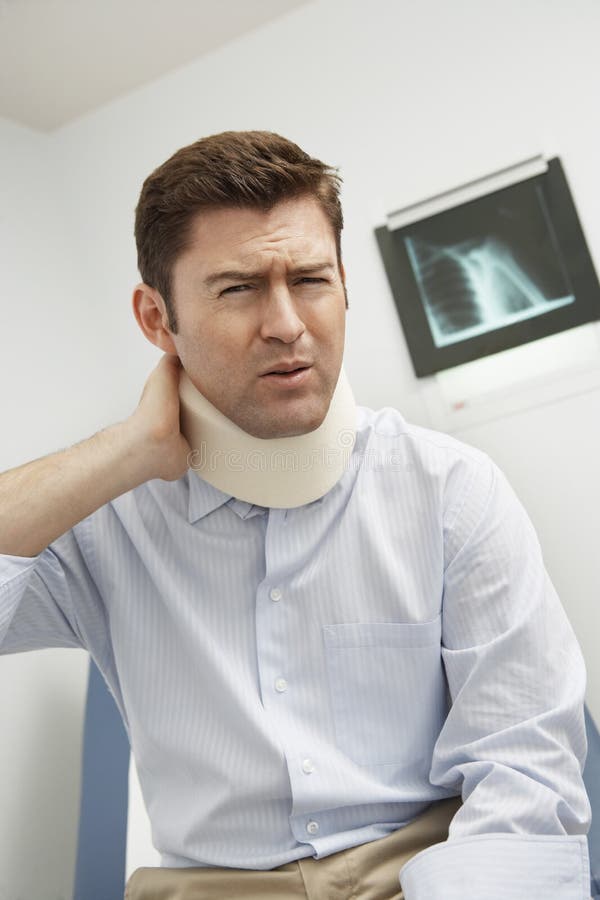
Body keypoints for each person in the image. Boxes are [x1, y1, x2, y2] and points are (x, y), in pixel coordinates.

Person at [0, 131, 592, 900]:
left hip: (425, 876)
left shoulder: (451, 490)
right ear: (156, 318)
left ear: (345, 284)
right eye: (238, 289)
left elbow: (525, 765)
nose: (286, 324)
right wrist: (123, 452)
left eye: (310, 279)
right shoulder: (106, 521)